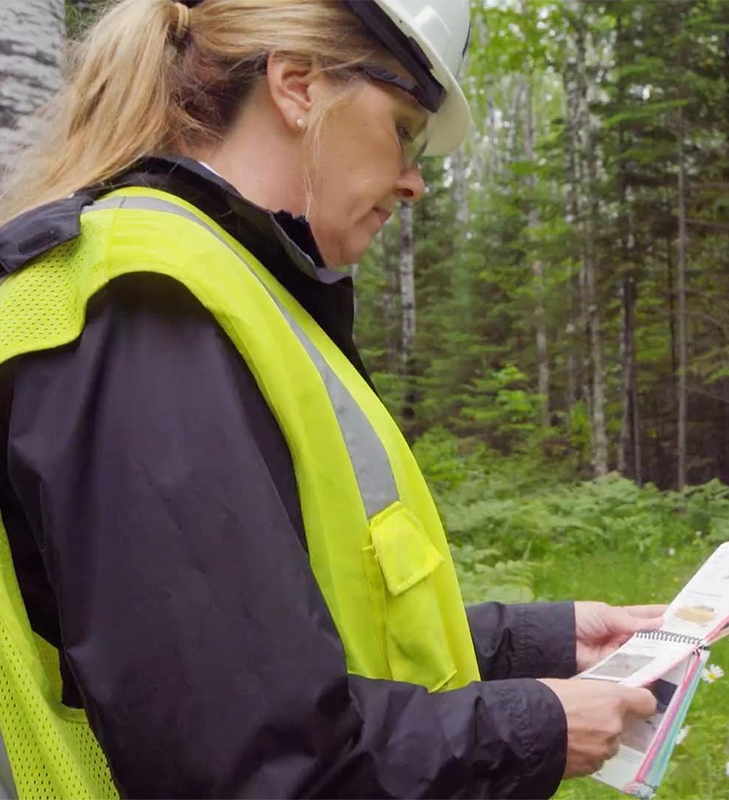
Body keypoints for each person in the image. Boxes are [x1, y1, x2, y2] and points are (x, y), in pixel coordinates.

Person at [0, 0, 660, 796]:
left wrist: (540, 644)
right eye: (406, 129)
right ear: (299, 85)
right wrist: (535, 728)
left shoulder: (232, 287)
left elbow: (291, 627)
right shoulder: (141, 305)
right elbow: (250, 760)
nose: (415, 182)